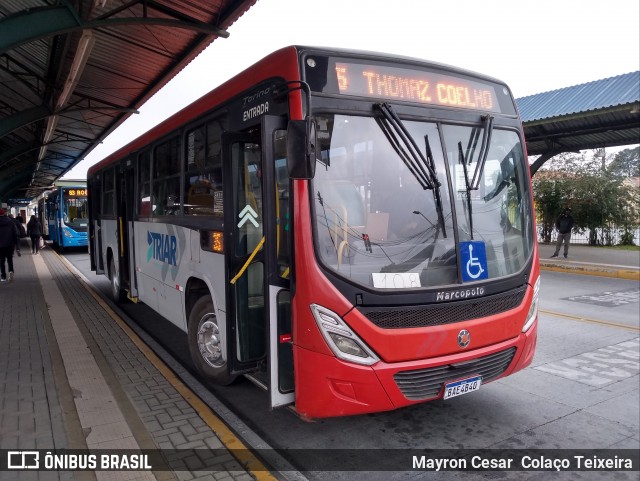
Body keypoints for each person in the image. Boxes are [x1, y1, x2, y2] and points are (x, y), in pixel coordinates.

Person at [0, 208, 19, 282]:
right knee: (9, 259)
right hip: (9, 244)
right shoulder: (10, 221)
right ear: (4, 213)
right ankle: (11, 271)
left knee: (1, 261)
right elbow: (15, 233)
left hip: (0, 245)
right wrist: (16, 244)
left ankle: (3, 276)